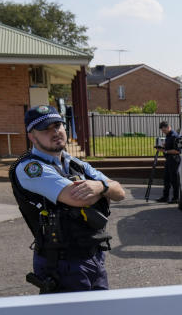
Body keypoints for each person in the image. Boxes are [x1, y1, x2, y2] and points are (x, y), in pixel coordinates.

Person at [11, 105, 126, 293]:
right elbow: (79, 199)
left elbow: (119, 191)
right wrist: (105, 190)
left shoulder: (74, 163)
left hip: (93, 256)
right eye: (45, 129)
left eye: (58, 125)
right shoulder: (30, 168)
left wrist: (100, 186)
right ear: (32, 136)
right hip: (61, 263)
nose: (55, 132)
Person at [155, 121, 180, 203]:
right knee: (166, 179)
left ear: (168, 127)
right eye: (162, 131)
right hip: (169, 160)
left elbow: (177, 151)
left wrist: (164, 151)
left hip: (174, 160)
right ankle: (165, 197)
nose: (163, 132)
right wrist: (164, 146)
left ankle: (176, 198)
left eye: (164, 130)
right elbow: (169, 146)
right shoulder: (168, 136)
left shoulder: (174, 136)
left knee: (174, 180)